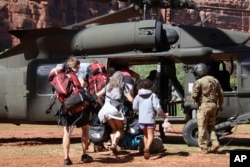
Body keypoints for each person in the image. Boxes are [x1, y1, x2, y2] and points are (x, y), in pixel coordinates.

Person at [59, 56, 93, 165]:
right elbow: (82, 85)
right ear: (77, 66)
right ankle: (84, 155)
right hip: (80, 107)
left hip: (66, 107)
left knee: (66, 132)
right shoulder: (79, 75)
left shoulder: (62, 76)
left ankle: (66, 158)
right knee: (85, 129)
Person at [97, 71, 134, 156]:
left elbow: (97, 96)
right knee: (120, 129)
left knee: (114, 129)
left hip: (106, 110)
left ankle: (112, 150)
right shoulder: (123, 86)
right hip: (115, 109)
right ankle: (114, 145)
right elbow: (130, 99)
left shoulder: (108, 86)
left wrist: (102, 105)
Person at [191, 63, 224, 154]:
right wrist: (220, 105)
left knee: (202, 127)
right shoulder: (215, 80)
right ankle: (215, 143)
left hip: (204, 106)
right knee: (211, 126)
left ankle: (203, 148)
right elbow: (221, 94)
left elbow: (194, 95)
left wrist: (197, 98)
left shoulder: (199, 81)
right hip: (214, 106)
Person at [132, 79, 166, 160]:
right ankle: (147, 147)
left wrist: (138, 110)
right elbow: (157, 107)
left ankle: (146, 151)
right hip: (150, 118)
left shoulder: (138, 96)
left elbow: (134, 107)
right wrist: (162, 115)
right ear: (151, 86)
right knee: (151, 135)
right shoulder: (153, 95)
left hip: (141, 119)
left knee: (145, 135)